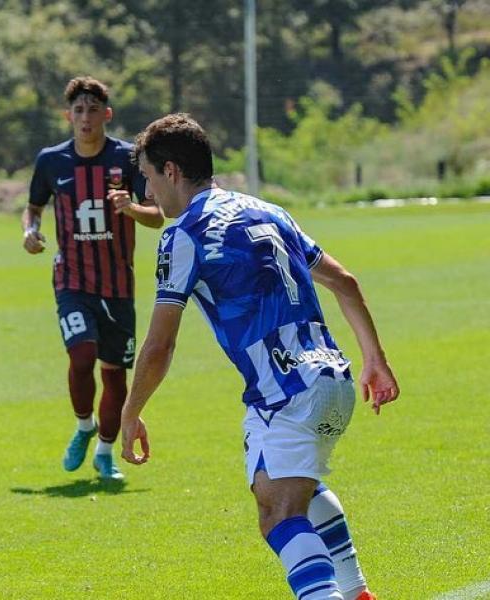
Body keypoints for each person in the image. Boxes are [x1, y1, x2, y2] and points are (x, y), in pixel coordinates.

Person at [119, 113, 398, 600]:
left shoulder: (183, 235)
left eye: (146, 176)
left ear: (171, 171)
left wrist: (131, 410)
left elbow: (160, 345)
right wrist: (375, 358)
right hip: (333, 379)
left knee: (278, 515)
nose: (146, 193)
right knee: (292, 487)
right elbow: (345, 283)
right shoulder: (270, 212)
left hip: (286, 392)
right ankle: (355, 592)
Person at [23, 76, 164, 479]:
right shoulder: (51, 161)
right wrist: (29, 232)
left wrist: (131, 208)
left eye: (93, 110)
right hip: (71, 279)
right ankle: (84, 426)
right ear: (69, 116)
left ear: (107, 114)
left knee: (114, 372)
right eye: (78, 110)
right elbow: (33, 208)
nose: (85, 118)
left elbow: (157, 215)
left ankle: (104, 451)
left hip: (118, 284)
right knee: (82, 355)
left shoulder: (128, 159)